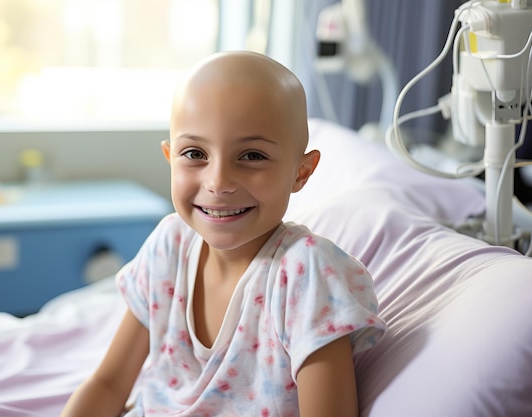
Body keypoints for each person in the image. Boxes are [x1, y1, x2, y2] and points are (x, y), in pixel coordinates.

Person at [60, 50, 386, 417]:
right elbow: (108, 385)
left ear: (301, 172)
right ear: (170, 157)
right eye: (195, 153)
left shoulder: (304, 273)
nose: (218, 183)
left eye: (251, 156)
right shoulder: (169, 245)